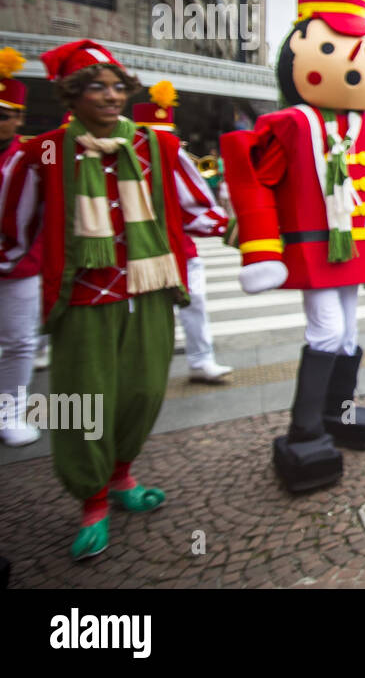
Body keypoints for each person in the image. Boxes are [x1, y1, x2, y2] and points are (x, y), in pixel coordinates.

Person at [0, 40, 224, 558]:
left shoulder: (157, 147)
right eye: (97, 86)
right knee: (85, 402)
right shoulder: (44, 152)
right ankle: (92, 501)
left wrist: (255, 234)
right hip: (81, 300)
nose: (111, 95)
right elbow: (15, 224)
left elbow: (201, 209)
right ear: (71, 96)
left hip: (146, 291)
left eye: (118, 86)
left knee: (143, 392)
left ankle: (122, 477)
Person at [220, 0, 365, 493]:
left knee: (350, 329)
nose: (354, 65)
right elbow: (255, 180)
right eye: (336, 47)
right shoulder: (288, 123)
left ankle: (340, 412)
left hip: (356, 246)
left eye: (363, 49)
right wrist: (260, 248)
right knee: (327, 330)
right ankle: (304, 426)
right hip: (314, 246)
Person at [132, 81, 232, 384]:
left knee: (195, 301)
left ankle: (201, 360)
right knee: (138, 313)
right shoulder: (123, 159)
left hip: (180, 247)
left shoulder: (175, 157)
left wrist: (231, 228)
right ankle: (137, 368)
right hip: (136, 251)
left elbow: (196, 206)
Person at [0, 48, 40, 446]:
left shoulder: (32, 156)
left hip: (18, 267)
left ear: (17, 119)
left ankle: (10, 411)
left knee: (19, 341)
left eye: (3, 113)